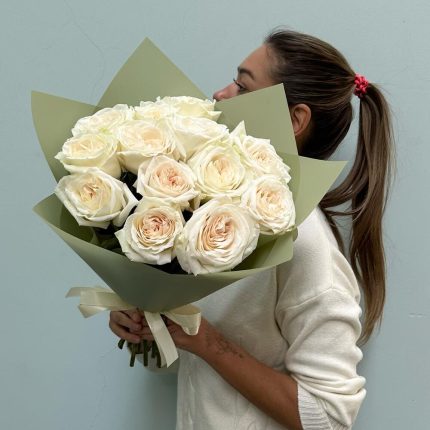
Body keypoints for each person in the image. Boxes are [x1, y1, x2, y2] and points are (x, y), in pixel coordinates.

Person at [109, 29, 394, 430]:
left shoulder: (305, 241)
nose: (220, 94)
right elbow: (186, 364)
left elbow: (328, 417)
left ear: (295, 120)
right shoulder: (216, 214)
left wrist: (206, 340)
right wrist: (146, 325)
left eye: (242, 86)